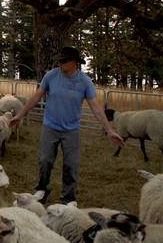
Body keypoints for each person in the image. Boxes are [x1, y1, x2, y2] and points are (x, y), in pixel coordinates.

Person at [9, 46, 125, 205]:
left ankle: (68, 198)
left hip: (71, 130)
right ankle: (42, 189)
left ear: (75, 62)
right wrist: (19, 115)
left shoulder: (84, 82)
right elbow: (36, 97)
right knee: (45, 160)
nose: (60, 63)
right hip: (50, 126)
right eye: (59, 60)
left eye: (63, 61)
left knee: (71, 165)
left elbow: (96, 107)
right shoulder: (51, 76)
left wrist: (109, 130)